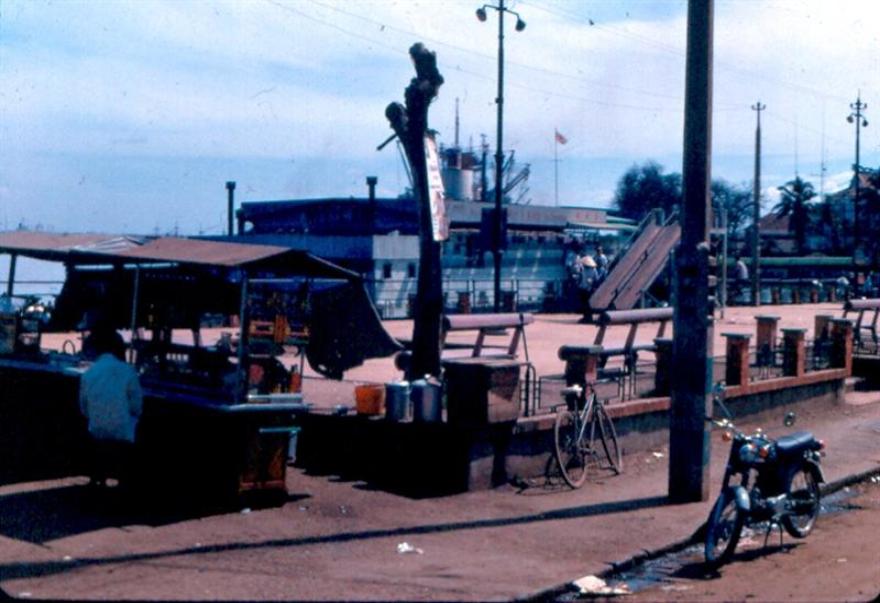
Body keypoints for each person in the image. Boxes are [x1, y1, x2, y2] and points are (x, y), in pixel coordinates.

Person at [78, 328, 143, 488]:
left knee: (97, 438)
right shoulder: (128, 371)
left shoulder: (89, 373)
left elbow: (83, 407)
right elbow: (136, 405)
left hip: (97, 429)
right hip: (123, 431)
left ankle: (97, 477)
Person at [577, 254, 599, 322]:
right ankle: (588, 317)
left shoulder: (583, 270)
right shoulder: (594, 270)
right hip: (588, 289)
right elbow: (596, 279)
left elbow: (580, 278)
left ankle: (587, 317)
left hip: (584, 289)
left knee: (585, 304)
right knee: (587, 304)